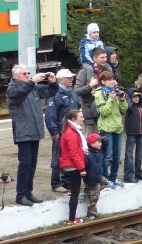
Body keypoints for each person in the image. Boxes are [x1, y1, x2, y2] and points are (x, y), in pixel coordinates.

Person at [7, 65, 59, 206]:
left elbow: (50, 92)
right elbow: (16, 96)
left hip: (34, 130)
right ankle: (21, 195)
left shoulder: (31, 87)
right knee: (25, 164)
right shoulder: (13, 87)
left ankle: (28, 192)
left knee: (32, 164)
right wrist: (32, 82)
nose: (27, 75)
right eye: (25, 73)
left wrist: (53, 82)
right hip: (23, 131)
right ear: (16, 76)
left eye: (28, 73)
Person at [44, 69, 80, 193]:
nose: (71, 79)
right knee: (57, 155)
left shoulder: (72, 92)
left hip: (72, 131)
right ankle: (56, 183)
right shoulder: (55, 94)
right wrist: (54, 132)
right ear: (60, 80)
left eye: (71, 77)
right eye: (68, 78)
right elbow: (50, 115)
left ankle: (67, 181)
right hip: (60, 132)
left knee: (70, 155)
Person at [93, 70, 128, 187]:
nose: (112, 81)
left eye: (113, 79)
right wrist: (110, 99)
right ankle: (105, 180)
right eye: (109, 80)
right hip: (106, 128)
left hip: (118, 127)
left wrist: (122, 99)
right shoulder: (99, 94)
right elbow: (103, 112)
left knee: (117, 156)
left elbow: (124, 110)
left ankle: (113, 177)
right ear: (103, 82)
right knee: (107, 156)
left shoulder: (116, 92)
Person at [59, 109, 88, 224]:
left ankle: (72, 217)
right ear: (74, 119)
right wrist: (82, 168)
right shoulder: (71, 133)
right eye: (81, 117)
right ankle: (71, 219)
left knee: (74, 191)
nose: (83, 119)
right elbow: (73, 153)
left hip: (71, 164)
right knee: (75, 193)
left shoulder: (72, 130)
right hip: (72, 165)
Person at [74, 46, 110, 136]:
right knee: (91, 144)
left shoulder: (107, 71)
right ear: (94, 58)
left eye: (106, 57)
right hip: (90, 115)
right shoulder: (84, 72)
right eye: (102, 57)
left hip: (106, 115)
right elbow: (77, 91)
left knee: (105, 145)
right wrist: (90, 86)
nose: (105, 59)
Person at [123, 86, 142, 183]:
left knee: (139, 154)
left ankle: (138, 173)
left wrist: (141, 95)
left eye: (137, 96)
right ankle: (128, 175)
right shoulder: (129, 106)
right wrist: (129, 98)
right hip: (132, 132)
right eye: (134, 97)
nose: (136, 98)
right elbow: (128, 106)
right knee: (129, 154)